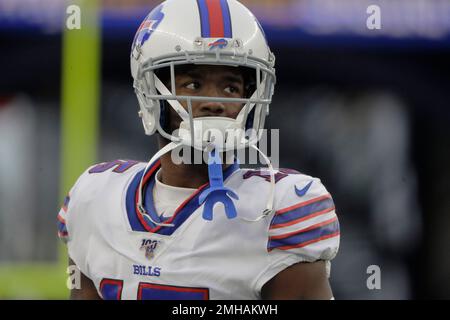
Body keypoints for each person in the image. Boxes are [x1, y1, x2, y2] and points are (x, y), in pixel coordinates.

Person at [57, 0, 340, 300]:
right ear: (151, 94)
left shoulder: (278, 212)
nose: (215, 101)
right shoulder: (95, 199)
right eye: (193, 83)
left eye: (230, 88)